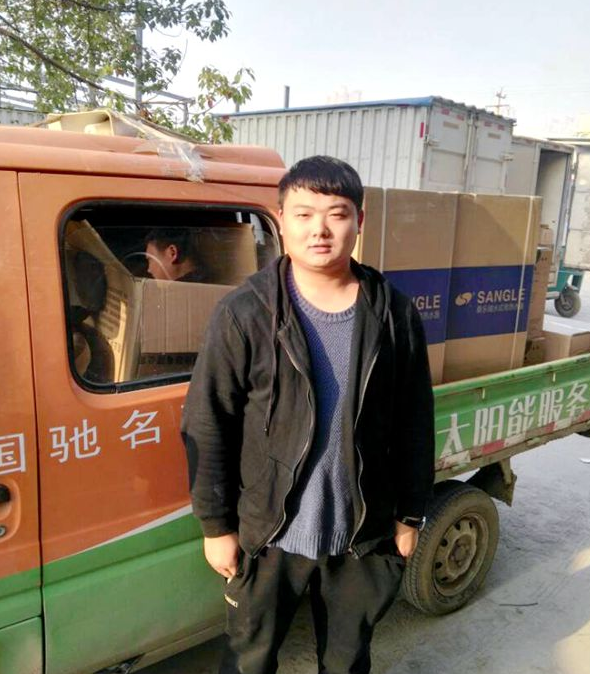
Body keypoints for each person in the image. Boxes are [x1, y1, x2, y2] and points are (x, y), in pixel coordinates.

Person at [181, 155, 435, 674]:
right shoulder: (246, 312)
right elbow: (208, 421)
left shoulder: (392, 313)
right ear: (281, 220)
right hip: (268, 533)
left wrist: (410, 515)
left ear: (359, 220)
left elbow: (415, 420)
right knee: (249, 661)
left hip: (360, 532)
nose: (319, 229)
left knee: (346, 662)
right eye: (303, 214)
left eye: (337, 214)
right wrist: (216, 526)